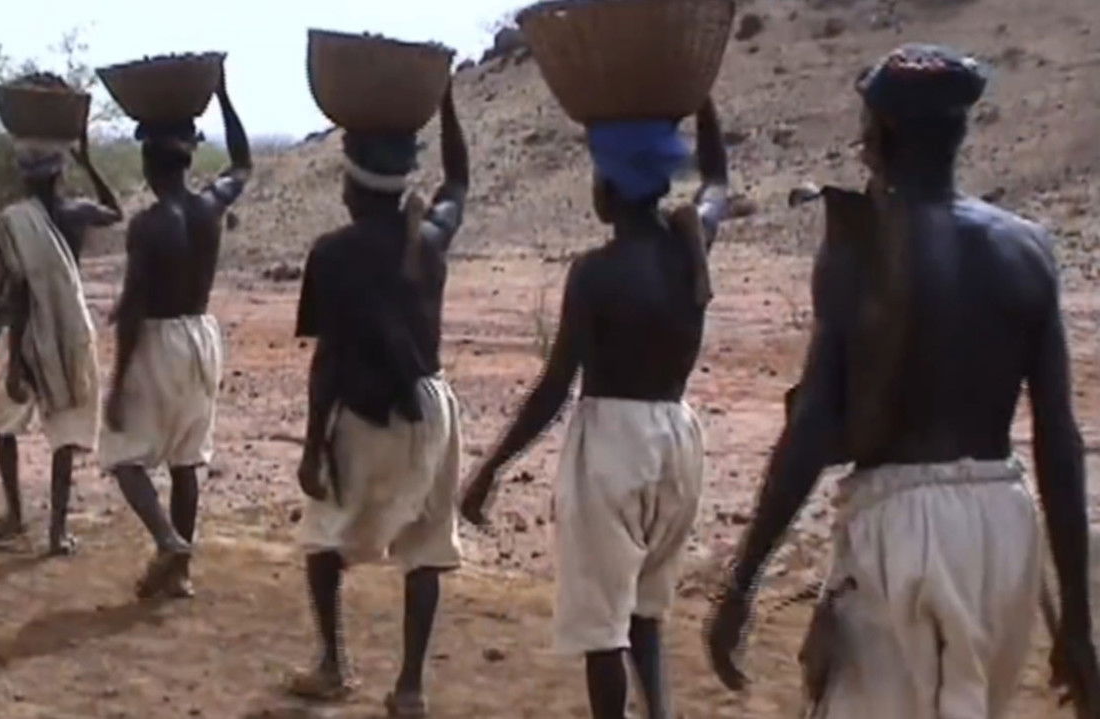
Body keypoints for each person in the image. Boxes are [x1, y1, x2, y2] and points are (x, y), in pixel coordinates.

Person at [705, 44, 1100, 718]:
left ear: (880, 136)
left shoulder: (858, 249)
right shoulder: (1028, 248)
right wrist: (1078, 623)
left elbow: (814, 425)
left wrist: (743, 578)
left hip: (898, 524)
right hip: (1005, 526)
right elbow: (1057, 441)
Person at [459, 98, 728, 719]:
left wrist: (492, 467)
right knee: (645, 608)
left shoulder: (596, 273)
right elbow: (718, 179)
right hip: (679, 440)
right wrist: (702, 94)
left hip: (613, 446)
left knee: (602, 625)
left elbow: (556, 386)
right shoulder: (693, 244)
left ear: (609, 186)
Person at [288, 82, 469, 717]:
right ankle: (411, 687)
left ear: (356, 186)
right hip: (434, 407)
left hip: (368, 410)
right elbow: (459, 185)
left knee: (321, 538)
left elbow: (328, 359)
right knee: (425, 547)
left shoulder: (333, 255)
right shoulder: (431, 237)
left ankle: (333, 664)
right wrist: (445, 101)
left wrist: (313, 447)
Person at [100, 70, 251, 599]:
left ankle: (167, 540)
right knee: (188, 457)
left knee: (123, 454)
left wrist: (117, 385)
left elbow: (138, 304)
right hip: (203, 337)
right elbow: (242, 163)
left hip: (159, 340)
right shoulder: (210, 208)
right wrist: (225, 99)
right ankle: (179, 574)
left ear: (148, 161)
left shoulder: (148, 224)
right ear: (188, 159)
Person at [0, 72, 124, 556]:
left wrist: (19, 357)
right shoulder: (76, 210)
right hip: (68, 331)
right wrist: (90, 162)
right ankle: (57, 530)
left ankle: (16, 514)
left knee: (6, 425)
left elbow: (15, 295)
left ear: (23, 175)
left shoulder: (11, 222)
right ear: (61, 171)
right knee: (65, 431)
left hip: (26, 336)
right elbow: (115, 211)